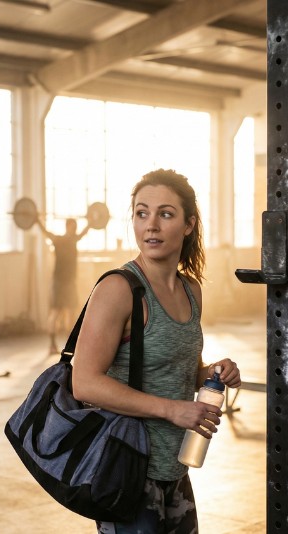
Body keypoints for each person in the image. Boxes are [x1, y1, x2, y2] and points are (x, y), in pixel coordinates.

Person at [71, 169, 242, 533]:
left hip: (176, 466)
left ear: (188, 224)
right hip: (128, 467)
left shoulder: (191, 291)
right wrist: (172, 410)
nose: (151, 225)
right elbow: (84, 382)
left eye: (165, 214)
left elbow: (181, 371)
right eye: (141, 213)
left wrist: (213, 373)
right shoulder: (119, 289)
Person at [36, 215, 90, 354]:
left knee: (71, 312)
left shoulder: (74, 239)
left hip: (70, 281)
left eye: (76, 227)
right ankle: (52, 345)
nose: (75, 229)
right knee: (56, 312)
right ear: (67, 227)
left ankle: (69, 345)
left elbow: (86, 230)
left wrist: (91, 221)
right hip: (59, 282)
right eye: (73, 227)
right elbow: (45, 232)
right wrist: (37, 220)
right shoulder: (58, 239)